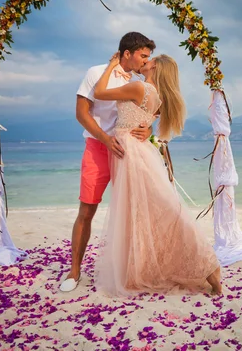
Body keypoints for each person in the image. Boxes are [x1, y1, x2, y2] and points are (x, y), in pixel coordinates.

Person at [92, 52, 222, 296]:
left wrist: (110, 64)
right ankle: (200, 269)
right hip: (136, 150)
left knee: (148, 212)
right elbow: (148, 115)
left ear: (155, 68)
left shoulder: (139, 87)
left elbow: (98, 93)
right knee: (150, 212)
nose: (144, 62)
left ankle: (208, 266)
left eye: (148, 61)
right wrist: (147, 125)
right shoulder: (159, 96)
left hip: (129, 152)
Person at [59, 32, 155, 292]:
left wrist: (149, 130)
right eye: (143, 55)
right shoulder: (96, 72)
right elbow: (81, 113)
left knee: (134, 212)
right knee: (87, 210)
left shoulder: (138, 81)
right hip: (98, 149)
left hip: (130, 151)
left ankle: (133, 269)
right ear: (127, 53)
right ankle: (74, 271)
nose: (146, 60)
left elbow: (150, 112)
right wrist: (104, 138)